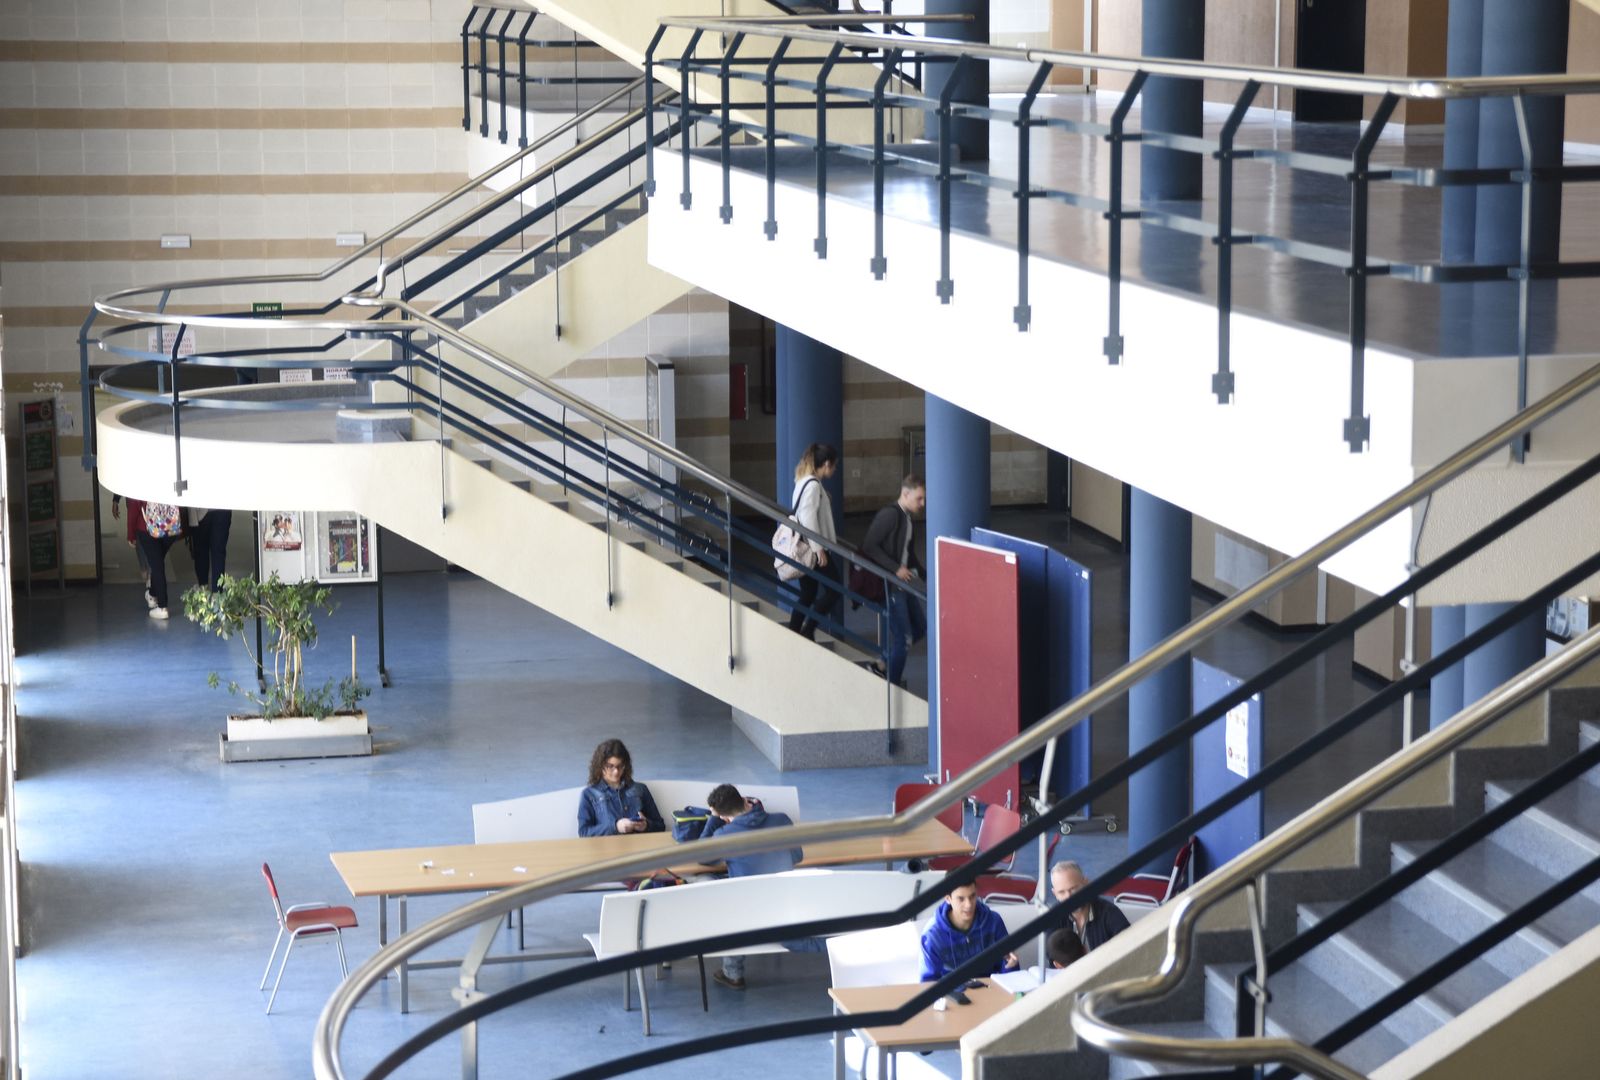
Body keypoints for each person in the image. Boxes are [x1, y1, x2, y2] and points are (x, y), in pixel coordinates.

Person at [701, 782, 805, 990]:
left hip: (750, 911)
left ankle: (733, 974)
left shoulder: (724, 834)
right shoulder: (782, 820)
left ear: (723, 816)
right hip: (784, 900)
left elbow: (702, 856)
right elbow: (797, 856)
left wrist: (713, 819)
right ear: (744, 800)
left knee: (705, 882)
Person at [861, 474, 927, 686]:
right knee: (904, 638)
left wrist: (926, 576)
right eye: (919, 498)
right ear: (905, 494)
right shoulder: (889, 515)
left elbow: (909, 554)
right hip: (890, 584)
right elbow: (869, 545)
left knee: (920, 628)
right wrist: (895, 569)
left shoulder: (907, 518)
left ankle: (882, 664)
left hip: (902, 584)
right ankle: (893, 683)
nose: (922, 504)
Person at [785, 443, 841, 641]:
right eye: (834, 465)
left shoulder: (803, 481)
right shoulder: (813, 485)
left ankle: (794, 630)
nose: (834, 470)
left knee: (808, 593)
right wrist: (819, 549)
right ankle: (808, 630)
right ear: (826, 464)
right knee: (835, 590)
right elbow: (808, 518)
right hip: (813, 548)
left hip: (805, 547)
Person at [918, 882, 1018, 982]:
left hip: (990, 987)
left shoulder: (994, 921)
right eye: (961, 899)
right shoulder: (932, 935)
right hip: (951, 989)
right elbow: (928, 982)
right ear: (948, 899)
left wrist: (1010, 965)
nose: (969, 905)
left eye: (972, 896)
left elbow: (1010, 971)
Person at [577, 739, 663, 837]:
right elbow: (583, 833)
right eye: (610, 766)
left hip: (640, 845)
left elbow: (660, 826)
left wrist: (646, 826)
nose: (616, 772)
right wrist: (616, 827)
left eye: (620, 766)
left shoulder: (641, 789)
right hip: (608, 847)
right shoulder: (589, 794)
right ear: (600, 766)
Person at [1050, 860, 1130, 952]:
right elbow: (1053, 956)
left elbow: (1129, 949)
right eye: (1061, 892)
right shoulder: (1054, 918)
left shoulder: (1110, 913)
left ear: (1086, 883)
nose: (1069, 897)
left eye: (1073, 889)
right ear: (1055, 894)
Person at [132, 498, 187, 621]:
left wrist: (130, 534)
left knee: (157, 566)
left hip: (148, 528)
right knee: (157, 562)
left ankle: (162, 607)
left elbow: (134, 507)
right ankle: (152, 594)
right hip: (170, 527)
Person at [189, 508, 233, 591]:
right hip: (222, 508)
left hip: (201, 511)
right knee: (218, 553)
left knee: (201, 551)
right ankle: (217, 593)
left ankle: (203, 589)